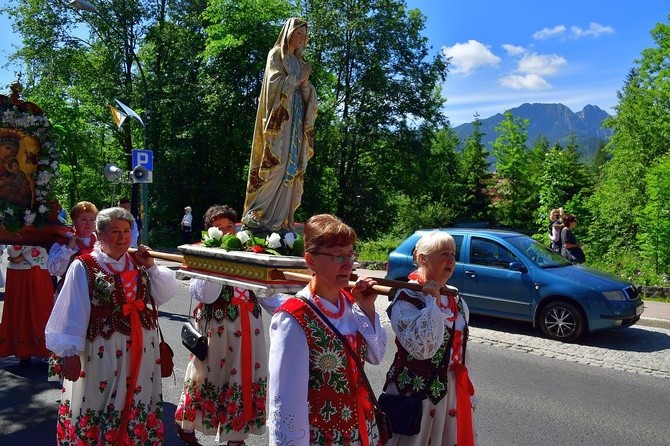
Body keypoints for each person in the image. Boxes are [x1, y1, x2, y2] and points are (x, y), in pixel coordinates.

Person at [44, 207, 178, 445]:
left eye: (126, 231)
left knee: (138, 397)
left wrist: (152, 266)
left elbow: (161, 295)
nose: (123, 237)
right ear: (100, 233)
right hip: (102, 350)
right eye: (115, 231)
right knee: (99, 398)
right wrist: (70, 353)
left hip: (142, 347)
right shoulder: (83, 265)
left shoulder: (138, 262)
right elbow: (72, 309)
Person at [267, 214, 386, 445]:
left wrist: (367, 308)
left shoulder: (353, 305)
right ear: (311, 260)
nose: (348, 264)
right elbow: (286, 402)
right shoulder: (293, 318)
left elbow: (376, 356)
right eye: (338, 256)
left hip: (361, 431)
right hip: (321, 436)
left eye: (351, 254)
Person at [175, 205, 284, 446]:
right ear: (209, 231)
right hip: (219, 327)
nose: (225, 233)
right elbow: (206, 295)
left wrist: (292, 313)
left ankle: (235, 435)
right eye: (218, 228)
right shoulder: (202, 253)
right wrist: (215, 260)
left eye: (229, 227)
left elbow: (266, 295)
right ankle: (187, 424)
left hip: (249, 329)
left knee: (246, 377)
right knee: (208, 376)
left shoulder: (250, 252)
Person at [384, 230, 477, 446]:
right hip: (414, 394)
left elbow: (461, 350)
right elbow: (422, 349)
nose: (451, 260)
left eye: (453, 255)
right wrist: (432, 302)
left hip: (450, 393)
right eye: (444, 254)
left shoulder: (455, 297)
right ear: (422, 258)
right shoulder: (406, 298)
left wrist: (468, 390)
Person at [241, 17, 318, 234]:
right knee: (277, 163)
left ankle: (281, 220)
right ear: (289, 33)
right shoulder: (277, 55)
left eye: (305, 34)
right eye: (298, 33)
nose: (302, 38)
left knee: (291, 169)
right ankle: (257, 213)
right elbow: (273, 85)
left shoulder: (301, 63)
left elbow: (308, 99)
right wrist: (297, 80)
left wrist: (306, 87)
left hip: (296, 120)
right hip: (279, 121)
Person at [0, 244, 55, 367]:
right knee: (20, 311)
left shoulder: (49, 227)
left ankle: (44, 350)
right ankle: (23, 351)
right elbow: (12, 251)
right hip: (19, 273)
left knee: (41, 309)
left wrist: (24, 256)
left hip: (39, 270)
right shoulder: (16, 227)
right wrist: (27, 254)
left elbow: (49, 247)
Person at [47, 200, 99, 292]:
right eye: (83, 219)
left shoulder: (101, 240)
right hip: (71, 291)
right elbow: (54, 270)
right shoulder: (63, 240)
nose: (88, 223)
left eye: (92, 219)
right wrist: (69, 248)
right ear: (74, 222)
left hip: (96, 292)